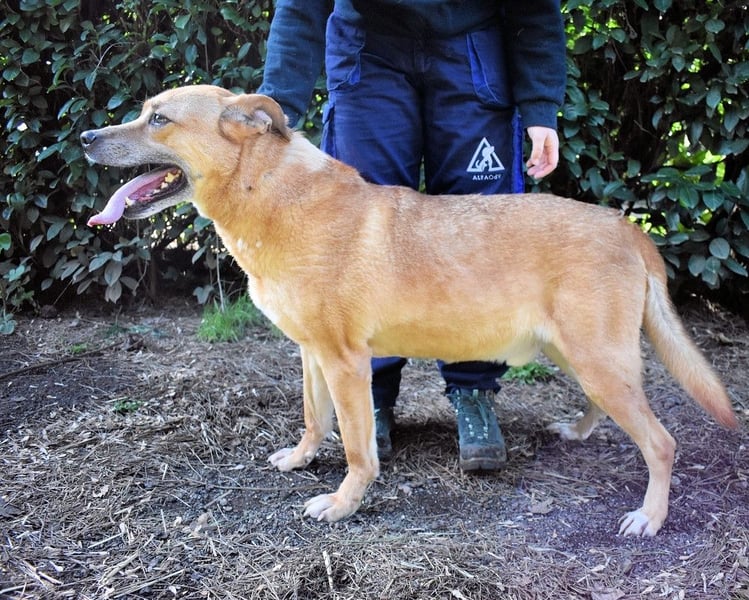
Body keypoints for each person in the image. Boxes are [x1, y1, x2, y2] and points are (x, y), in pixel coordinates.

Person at [257, 0, 566, 471]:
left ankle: (473, 390)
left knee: (476, 236)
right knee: (358, 235)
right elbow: (301, 7)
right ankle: (371, 397)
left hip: (471, 44)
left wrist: (540, 106)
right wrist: (277, 110)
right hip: (368, 50)